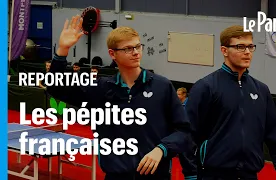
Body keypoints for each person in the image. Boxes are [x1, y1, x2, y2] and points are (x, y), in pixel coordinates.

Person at [47, 15, 195, 180]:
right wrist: (62, 52)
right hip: (115, 176)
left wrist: (161, 149)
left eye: (138, 46)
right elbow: (56, 87)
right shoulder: (101, 89)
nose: (135, 52)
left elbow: (184, 132)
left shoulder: (162, 86)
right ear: (112, 54)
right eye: (127, 49)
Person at [186, 25, 276, 180]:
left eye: (250, 46)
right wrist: (190, 174)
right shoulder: (206, 87)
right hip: (212, 175)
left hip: (249, 175)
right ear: (224, 50)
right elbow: (187, 133)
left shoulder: (261, 90)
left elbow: (274, 134)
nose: (247, 52)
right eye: (240, 47)